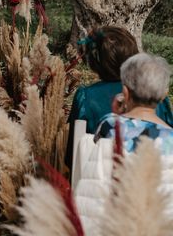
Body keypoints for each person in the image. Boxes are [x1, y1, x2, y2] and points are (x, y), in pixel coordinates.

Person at [74, 53, 173, 234]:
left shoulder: (110, 125)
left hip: (112, 225)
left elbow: (96, 141)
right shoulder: (170, 138)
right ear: (164, 96)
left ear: (125, 93)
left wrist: (117, 112)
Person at [66, 27, 173, 166]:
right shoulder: (152, 95)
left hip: (103, 176)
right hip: (155, 176)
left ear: (95, 62)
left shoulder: (86, 96)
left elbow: (72, 157)